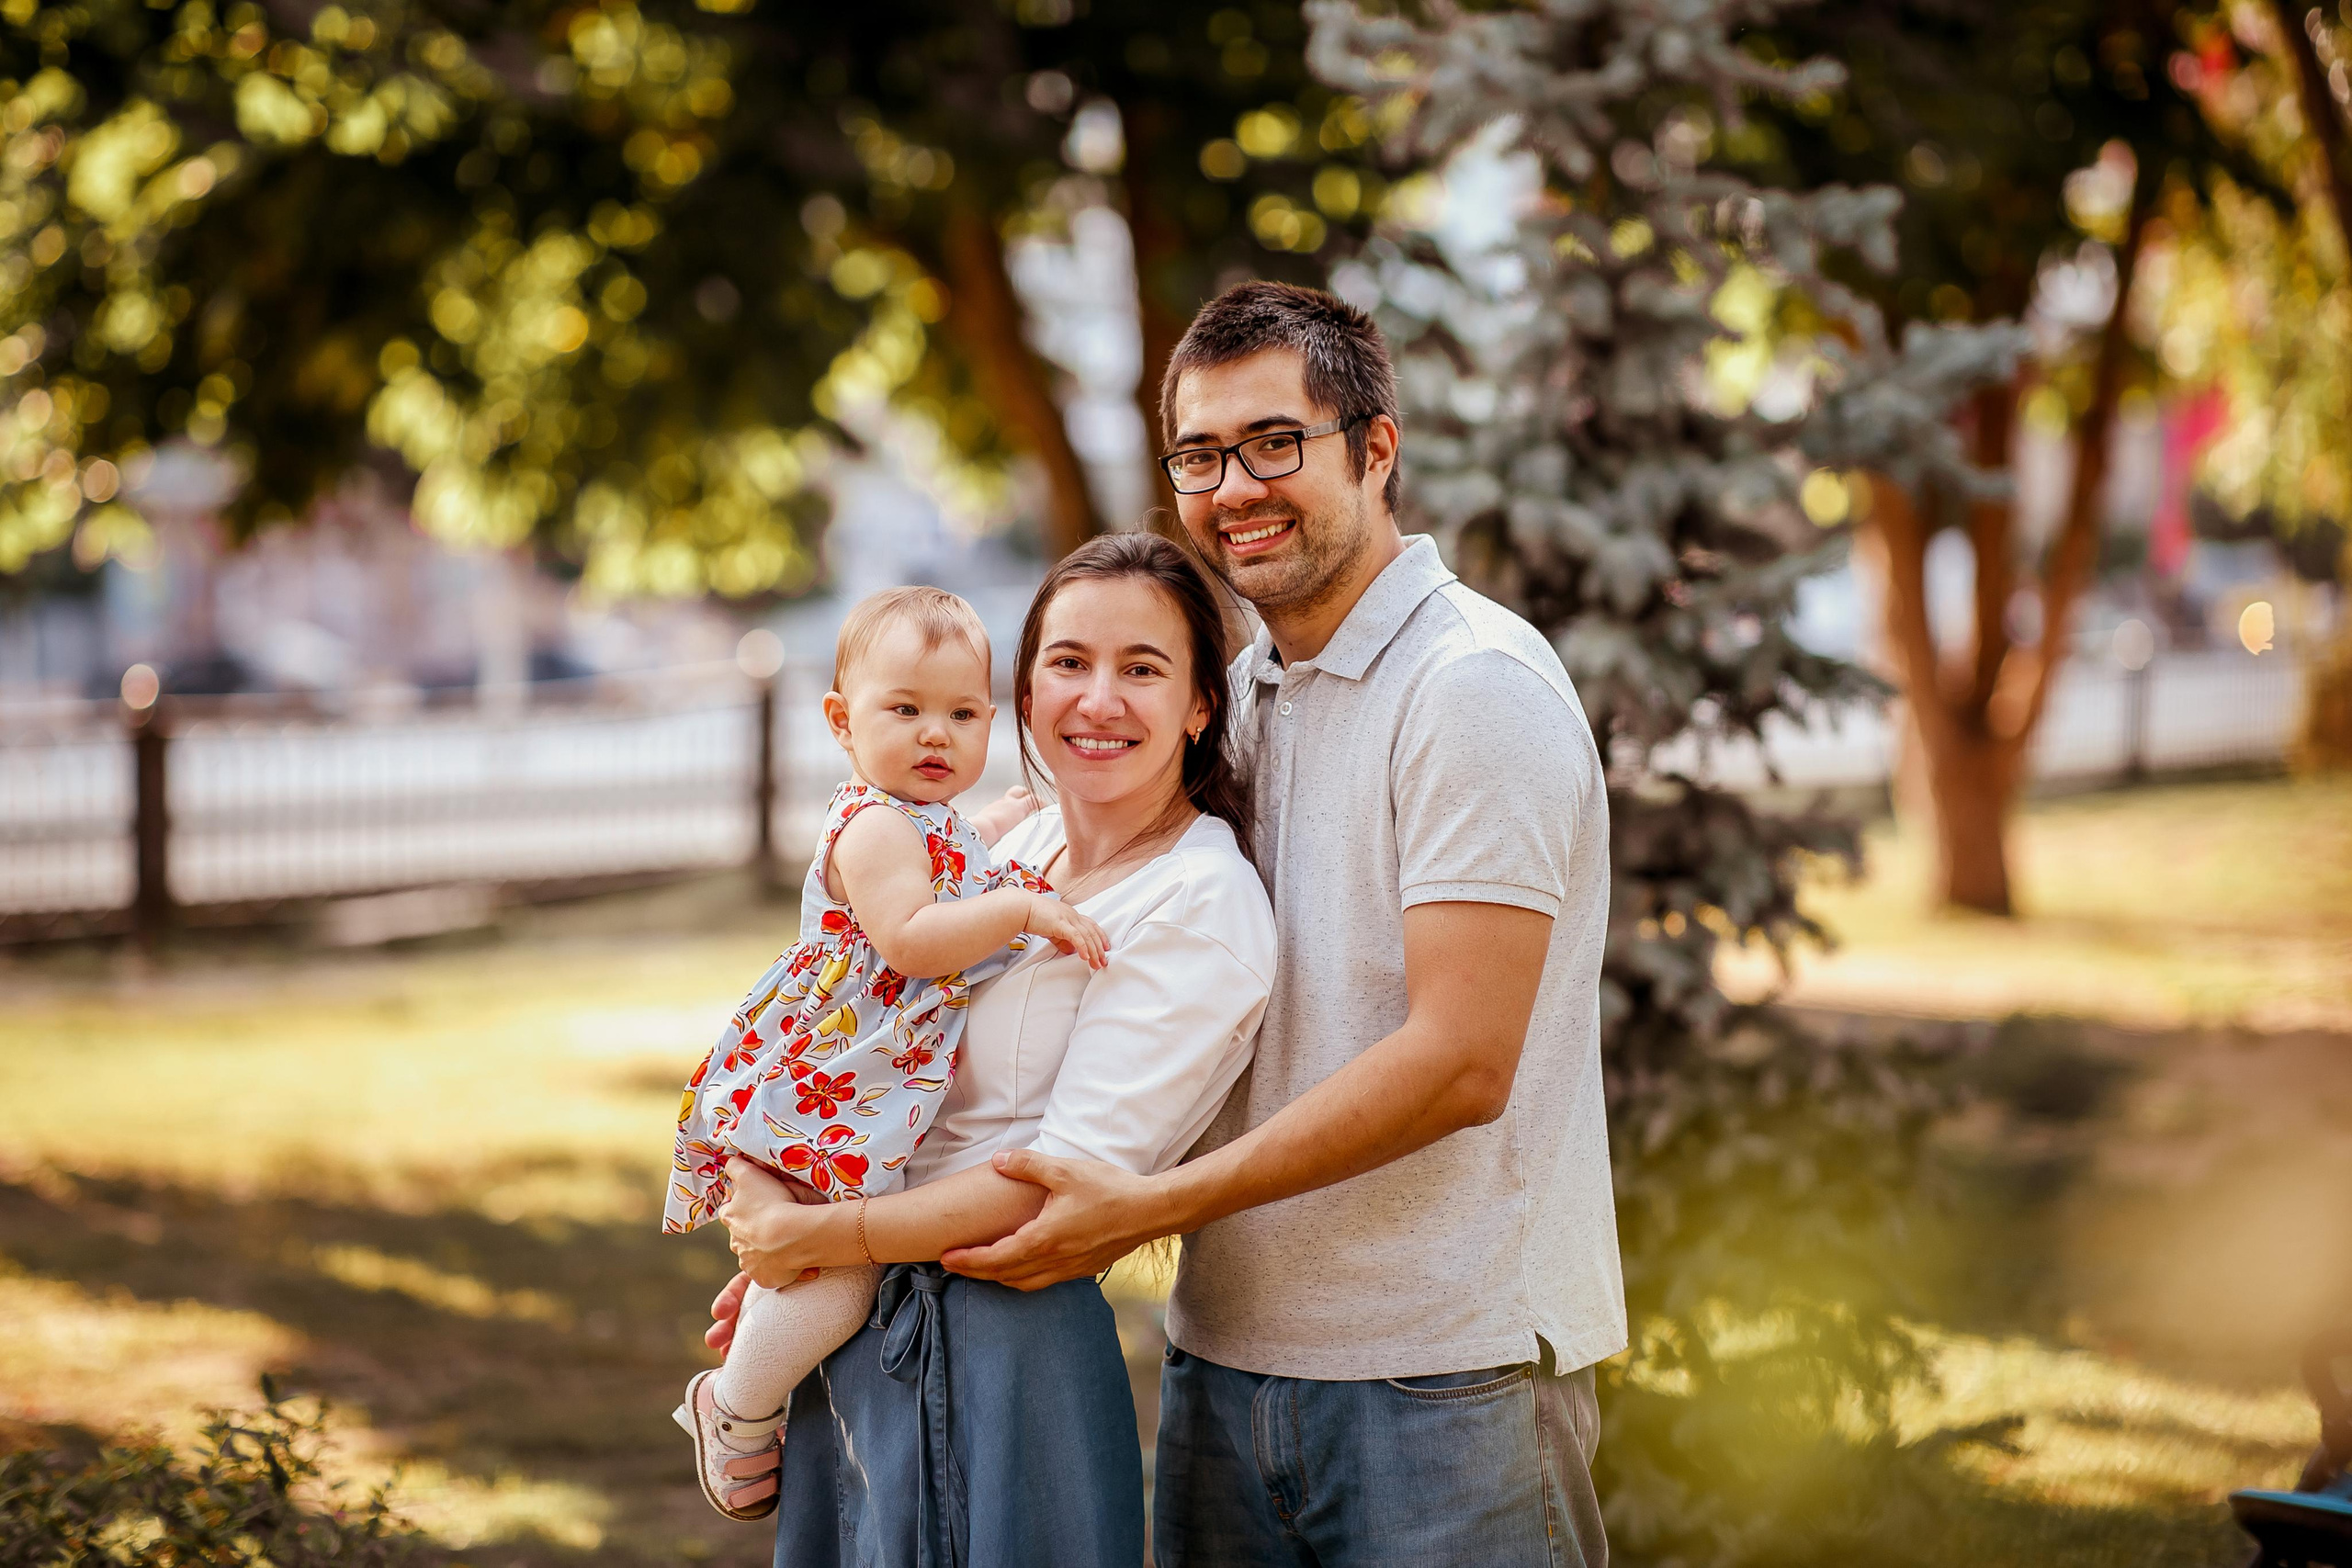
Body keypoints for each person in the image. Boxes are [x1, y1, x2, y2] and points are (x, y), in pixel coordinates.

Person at [937, 280, 1626, 1566]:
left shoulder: (1470, 685)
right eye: (1200, 453)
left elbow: (1462, 1060)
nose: (1232, 486)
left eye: (1274, 442)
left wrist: (1148, 1203)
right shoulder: (1229, 694)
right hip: (1225, 1361)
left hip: (1443, 1377)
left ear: (1375, 449)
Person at [708, 532, 1277, 1565]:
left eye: (1141, 669)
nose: (1097, 699)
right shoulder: (1002, 849)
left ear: (1200, 705)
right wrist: (791, 1238)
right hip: (867, 1332)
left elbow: (1056, 1190)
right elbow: (880, 1049)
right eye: (1067, 662)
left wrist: (817, 1241)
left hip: (1007, 1354)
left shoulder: (1199, 903)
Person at [662, 585, 1107, 1521]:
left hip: (858, 1085)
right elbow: (909, 934)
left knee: (820, 1267)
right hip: (825, 1083)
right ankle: (735, 1409)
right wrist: (1023, 905)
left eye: (958, 713)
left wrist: (992, 831)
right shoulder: (869, 826)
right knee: (843, 1283)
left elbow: (944, 858)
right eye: (903, 710)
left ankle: (750, 1380)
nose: (933, 734)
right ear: (841, 720)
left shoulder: (923, 817)